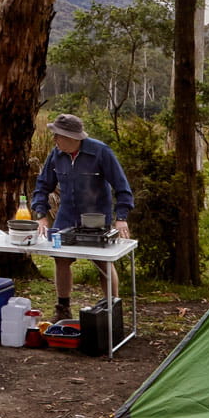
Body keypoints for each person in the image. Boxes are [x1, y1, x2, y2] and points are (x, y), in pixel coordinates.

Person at [30, 113, 134, 322]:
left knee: (103, 262)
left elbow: (122, 188)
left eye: (57, 136)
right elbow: (42, 186)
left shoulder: (100, 152)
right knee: (61, 259)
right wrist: (41, 214)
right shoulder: (56, 155)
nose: (54, 141)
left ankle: (112, 310)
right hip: (66, 218)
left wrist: (120, 217)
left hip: (96, 220)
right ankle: (63, 307)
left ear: (71, 138)